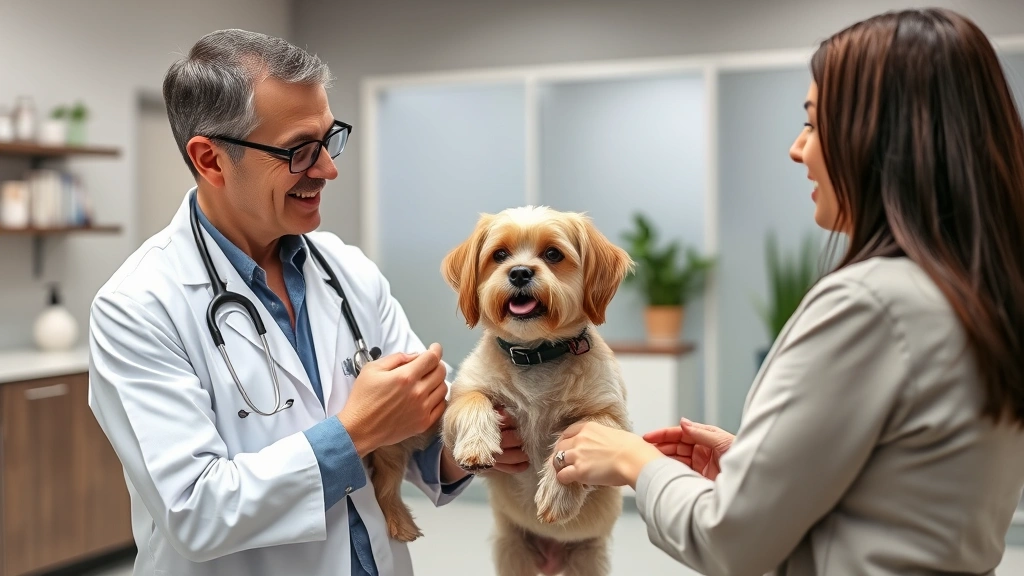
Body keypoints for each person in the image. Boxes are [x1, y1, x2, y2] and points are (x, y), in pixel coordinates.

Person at [551, 8, 1024, 575]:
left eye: (814, 123)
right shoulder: (977, 297)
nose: (798, 149)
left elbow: (727, 540)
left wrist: (636, 460)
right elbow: (910, 498)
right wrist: (764, 470)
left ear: (882, 138)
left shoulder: (869, 305)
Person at [87, 29, 527, 576]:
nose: (327, 169)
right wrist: (355, 431)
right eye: (299, 150)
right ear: (211, 160)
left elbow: (418, 435)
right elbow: (196, 512)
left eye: (329, 138)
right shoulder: (137, 306)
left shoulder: (347, 271)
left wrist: (486, 435)